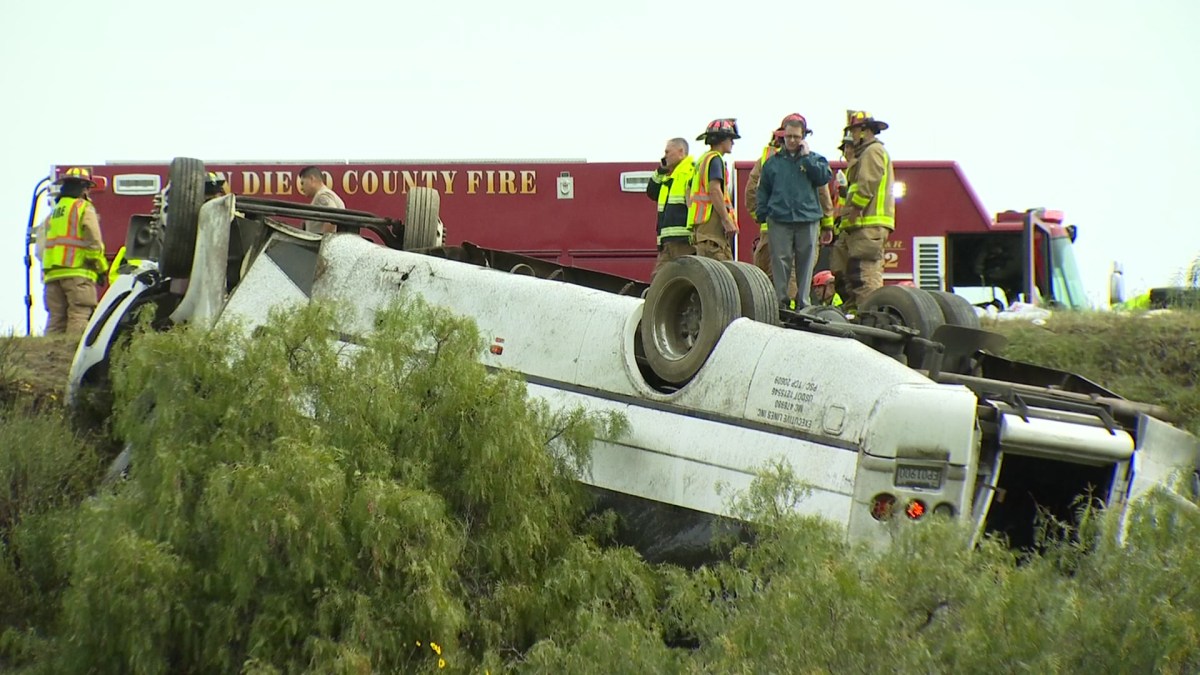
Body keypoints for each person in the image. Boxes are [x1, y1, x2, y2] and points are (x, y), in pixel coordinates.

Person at [755, 115, 833, 308]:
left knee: (805, 263)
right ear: (783, 136)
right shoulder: (772, 163)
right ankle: (782, 302)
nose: (792, 140)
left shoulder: (814, 159)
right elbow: (762, 189)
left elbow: (824, 178)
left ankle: (803, 303)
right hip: (779, 219)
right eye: (788, 136)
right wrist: (762, 214)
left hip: (808, 219)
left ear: (803, 137)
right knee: (780, 262)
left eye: (796, 137)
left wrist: (806, 158)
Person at [833, 110, 895, 310]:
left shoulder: (873, 151)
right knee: (854, 277)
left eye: (854, 130)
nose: (852, 136)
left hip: (868, 226)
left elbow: (867, 183)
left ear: (865, 130)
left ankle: (871, 321)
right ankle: (858, 318)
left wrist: (854, 212)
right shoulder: (865, 153)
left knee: (865, 278)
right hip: (861, 228)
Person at [40, 167, 108, 336]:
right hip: (77, 271)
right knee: (79, 313)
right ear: (83, 188)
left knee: (56, 318)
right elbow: (93, 239)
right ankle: (72, 356)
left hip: (52, 275)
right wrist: (100, 267)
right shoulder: (82, 207)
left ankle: (50, 358)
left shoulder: (54, 212)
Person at [747, 126, 800, 301]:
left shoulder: (764, 160)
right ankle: (787, 315)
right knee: (788, 273)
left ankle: (767, 315)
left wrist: (760, 217)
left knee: (764, 278)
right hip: (792, 229)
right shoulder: (801, 159)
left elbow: (751, 193)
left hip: (767, 231)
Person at [686, 119, 740, 260]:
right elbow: (715, 190)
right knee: (721, 275)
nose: (732, 143)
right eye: (730, 139)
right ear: (722, 140)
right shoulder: (715, 160)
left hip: (703, 228)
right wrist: (726, 219)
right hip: (712, 229)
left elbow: (688, 191)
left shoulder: (702, 160)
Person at [646, 138, 696, 277]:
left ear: (681, 152)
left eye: (668, 152)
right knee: (658, 280)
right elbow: (651, 192)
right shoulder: (668, 176)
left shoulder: (691, 171)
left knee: (684, 280)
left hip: (684, 241)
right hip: (667, 242)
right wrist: (661, 169)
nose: (664, 156)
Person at [297, 166, 345, 234]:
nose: (301, 188)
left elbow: (332, 217)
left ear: (312, 179)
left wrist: (324, 241)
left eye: (302, 183)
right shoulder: (325, 194)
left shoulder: (322, 195)